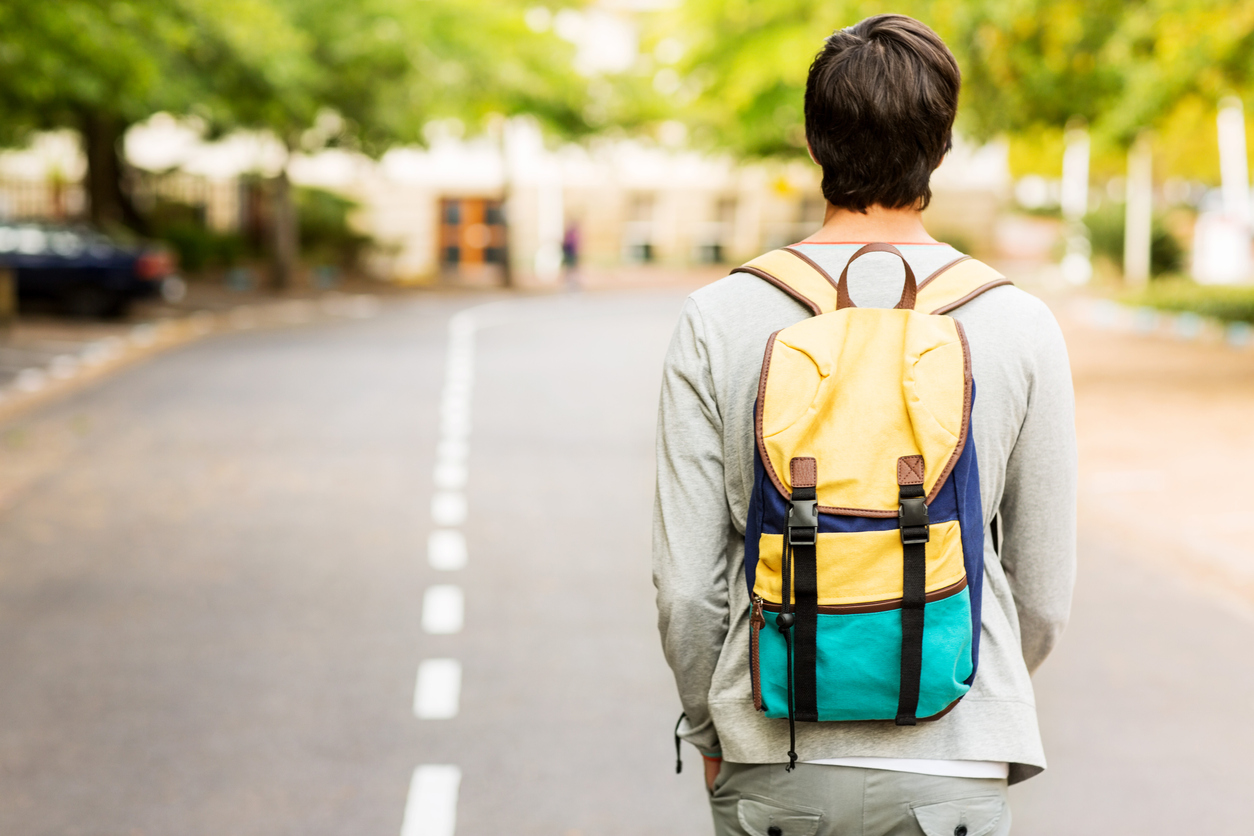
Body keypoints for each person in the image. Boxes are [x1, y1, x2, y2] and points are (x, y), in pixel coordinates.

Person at [652, 14, 1076, 835]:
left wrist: (714, 725)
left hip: (774, 758)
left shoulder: (719, 317)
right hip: (955, 761)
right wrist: (962, 681)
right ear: (943, 147)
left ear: (813, 144)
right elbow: (1044, 592)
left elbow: (687, 589)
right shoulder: (1019, 324)